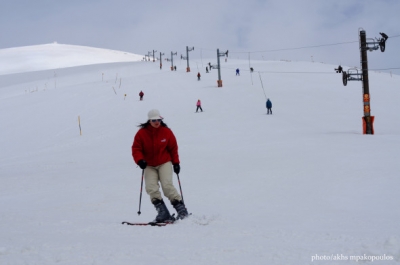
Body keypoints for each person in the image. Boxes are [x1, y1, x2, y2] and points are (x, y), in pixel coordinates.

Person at [132, 109, 189, 222]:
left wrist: (176, 163)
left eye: (158, 119)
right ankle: (163, 213)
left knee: (167, 185)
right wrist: (140, 160)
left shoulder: (166, 132)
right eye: (154, 120)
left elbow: (173, 148)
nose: (157, 122)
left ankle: (182, 211)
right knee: (151, 188)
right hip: (149, 165)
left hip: (164, 162)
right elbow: (136, 149)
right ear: (149, 121)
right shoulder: (141, 133)